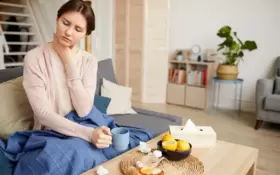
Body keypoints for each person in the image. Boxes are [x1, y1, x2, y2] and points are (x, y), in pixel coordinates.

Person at [23, 0, 112, 149]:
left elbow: (84, 111)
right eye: (65, 23)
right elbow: (43, 114)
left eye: (78, 29)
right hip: (51, 133)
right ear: (57, 19)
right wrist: (89, 134)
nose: (69, 32)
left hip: (84, 124)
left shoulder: (89, 61)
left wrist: (68, 62)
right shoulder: (34, 57)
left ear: (85, 34)